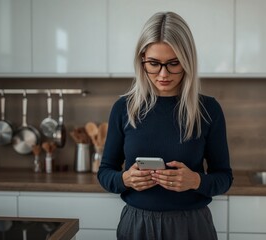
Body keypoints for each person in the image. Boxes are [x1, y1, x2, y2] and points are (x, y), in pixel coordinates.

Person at [98, 11, 233, 240]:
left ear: (187, 61)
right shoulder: (124, 108)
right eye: (153, 63)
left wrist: (196, 180)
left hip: (192, 226)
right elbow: (105, 172)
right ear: (142, 60)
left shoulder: (208, 109)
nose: (163, 74)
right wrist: (125, 179)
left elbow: (224, 177)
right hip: (137, 225)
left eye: (173, 63)